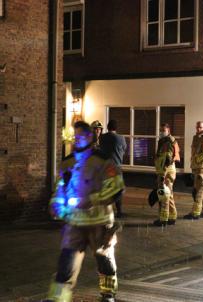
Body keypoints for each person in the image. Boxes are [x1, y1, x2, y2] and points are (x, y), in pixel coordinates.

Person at [45, 121, 125, 302]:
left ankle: (108, 295)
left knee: (104, 259)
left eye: (80, 136)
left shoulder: (104, 160)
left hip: (99, 221)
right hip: (74, 222)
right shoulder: (68, 161)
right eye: (75, 136)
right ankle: (58, 298)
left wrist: (92, 200)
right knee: (66, 261)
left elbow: (116, 187)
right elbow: (60, 187)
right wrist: (55, 203)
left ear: (90, 136)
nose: (77, 140)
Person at [153, 123, 180, 227]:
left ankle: (163, 219)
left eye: (163, 130)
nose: (161, 132)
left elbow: (167, 159)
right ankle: (172, 217)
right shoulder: (169, 140)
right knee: (169, 194)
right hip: (169, 170)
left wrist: (163, 174)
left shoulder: (168, 142)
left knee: (163, 194)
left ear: (168, 131)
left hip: (166, 171)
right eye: (160, 130)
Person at [184, 121, 203, 220]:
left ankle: (195, 213)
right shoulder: (195, 138)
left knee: (199, 191)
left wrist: (196, 160)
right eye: (197, 127)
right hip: (196, 168)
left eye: (200, 127)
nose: (198, 129)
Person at [99, 120, 127, 218]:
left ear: (107, 127)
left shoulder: (102, 137)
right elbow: (124, 149)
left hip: (105, 167)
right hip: (116, 166)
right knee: (118, 189)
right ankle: (119, 211)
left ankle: (106, 210)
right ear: (116, 128)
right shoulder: (121, 138)